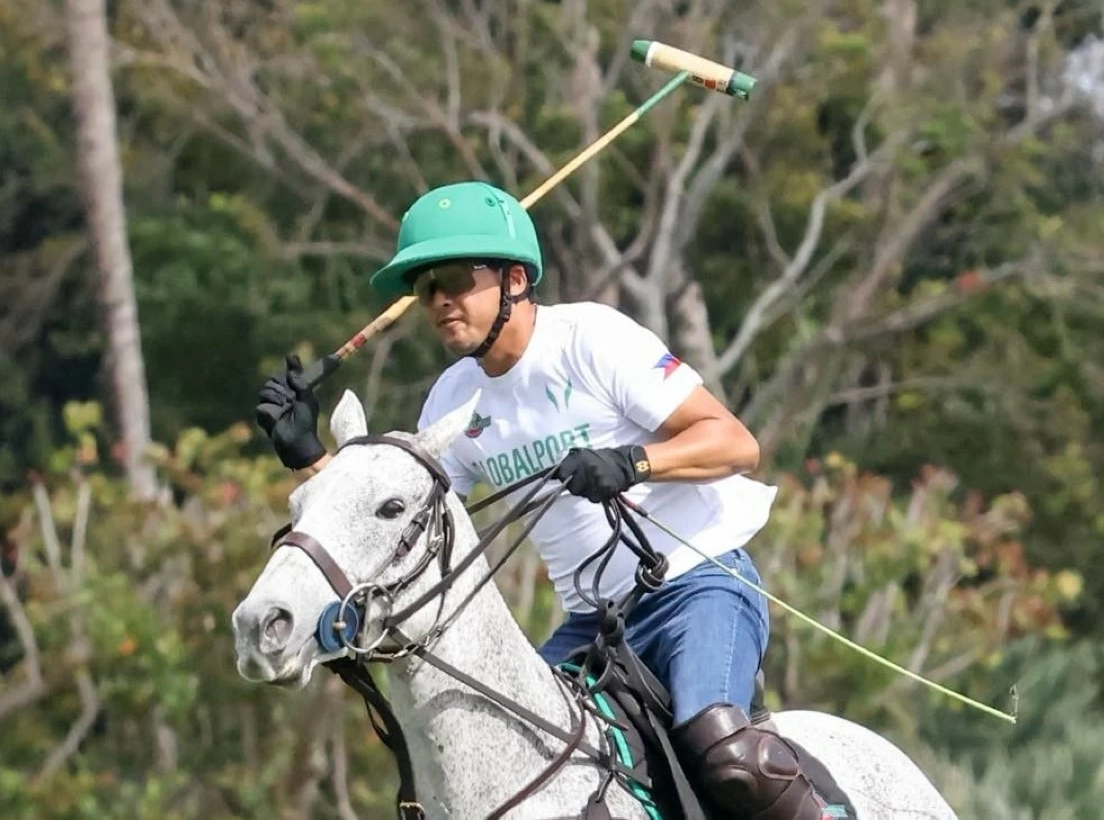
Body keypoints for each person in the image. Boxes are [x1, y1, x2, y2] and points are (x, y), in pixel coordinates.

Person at [256, 180, 828, 820]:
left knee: (726, 754)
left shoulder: (591, 340)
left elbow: (735, 442)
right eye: (424, 288)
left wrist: (631, 461)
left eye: (452, 278)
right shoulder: (451, 400)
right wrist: (309, 456)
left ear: (516, 280)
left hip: (696, 587)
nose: (439, 300)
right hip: (594, 623)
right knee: (502, 754)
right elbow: (394, 524)